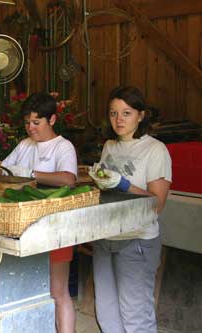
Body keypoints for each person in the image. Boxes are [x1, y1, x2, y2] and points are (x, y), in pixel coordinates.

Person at [0, 92, 77, 333]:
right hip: (23, 226)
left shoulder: (63, 147)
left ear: (53, 120)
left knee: (58, 291)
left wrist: (32, 174)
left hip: (55, 227)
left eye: (37, 122)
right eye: (27, 122)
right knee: (31, 290)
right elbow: (7, 170)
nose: (31, 128)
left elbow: (69, 179)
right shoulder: (24, 145)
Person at [89, 86, 171, 332]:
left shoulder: (155, 150)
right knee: (106, 314)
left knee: (135, 317)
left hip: (136, 240)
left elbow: (157, 203)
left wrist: (124, 184)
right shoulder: (109, 147)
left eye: (126, 113)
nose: (119, 119)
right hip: (106, 237)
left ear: (141, 115)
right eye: (113, 113)